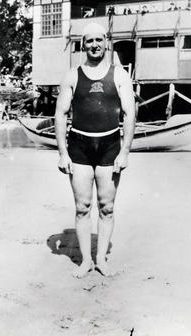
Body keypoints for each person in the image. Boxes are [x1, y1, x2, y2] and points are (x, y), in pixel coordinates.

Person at [55, 23, 135, 278]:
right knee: (82, 207)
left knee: (107, 207)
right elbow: (60, 114)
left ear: (106, 42)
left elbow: (130, 113)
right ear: (83, 45)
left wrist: (125, 152)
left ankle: (101, 258)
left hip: (110, 146)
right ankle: (86, 260)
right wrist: (62, 153)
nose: (94, 45)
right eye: (89, 41)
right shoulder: (72, 75)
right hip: (79, 146)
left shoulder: (119, 75)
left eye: (99, 40)